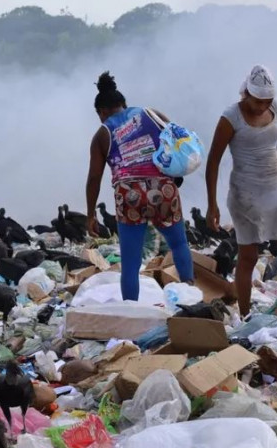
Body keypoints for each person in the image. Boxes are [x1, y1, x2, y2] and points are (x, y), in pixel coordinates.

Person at [205, 65, 277, 316]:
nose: (263, 106)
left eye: (268, 100)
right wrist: (212, 205)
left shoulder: (275, 108)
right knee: (248, 257)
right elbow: (213, 161)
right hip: (245, 196)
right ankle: (243, 314)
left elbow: (272, 146)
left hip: (276, 191)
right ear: (247, 95)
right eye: (258, 100)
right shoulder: (231, 118)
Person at [86, 71, 193, 300]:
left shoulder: (102, 134)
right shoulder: (151, 113)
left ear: (101, 112)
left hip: (129, 194)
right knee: (179, 244)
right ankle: (190, 297)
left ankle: (130, 312)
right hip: (162, 188)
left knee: (131, 262)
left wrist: (90, 214)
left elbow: (94, 178)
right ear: (123, 104)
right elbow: (178, 138)